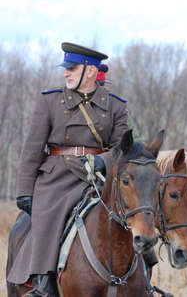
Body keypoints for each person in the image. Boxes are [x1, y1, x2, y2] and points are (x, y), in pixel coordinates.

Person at [7, 42, 129, 296]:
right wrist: (24, 190)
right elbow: (32, 149)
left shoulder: (116, 106)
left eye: (72, 68)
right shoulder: (50, 101)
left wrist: (102, 162)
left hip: (98, 177)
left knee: (135, 214)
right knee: (48, 216)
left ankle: (143, 279)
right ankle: (41, 284)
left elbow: (122, 148)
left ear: (91, 72)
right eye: (66, 68)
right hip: (57, 177)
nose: (66, 73)